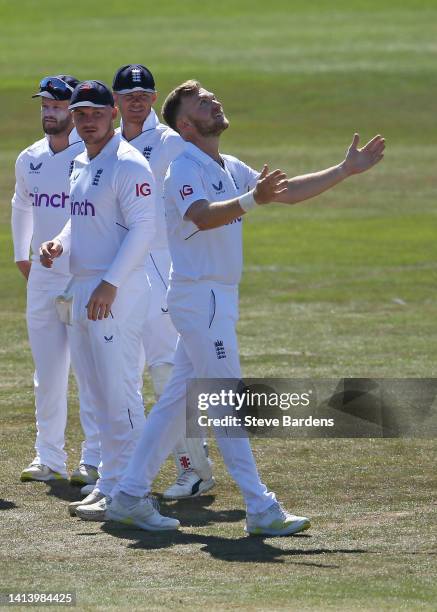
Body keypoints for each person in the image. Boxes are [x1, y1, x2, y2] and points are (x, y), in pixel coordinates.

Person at [84, 80, 384, 535]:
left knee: (173, 406)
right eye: (203, 101)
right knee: (226, 401)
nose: (214, 101)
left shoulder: (225, 164)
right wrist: (250, 200)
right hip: (199, 298)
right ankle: (260, 507)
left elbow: (286, 192)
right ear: (186, 124)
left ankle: (127, 496)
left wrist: (344, 169)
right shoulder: (183, 166)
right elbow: (202, 216)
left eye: (211, 96)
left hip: (215, 299)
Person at [38, 81, 167, 524]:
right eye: (80, 114)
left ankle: (135, 494)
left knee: (121, 392)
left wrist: (110, 284)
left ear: (113, 113)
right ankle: (110, 484)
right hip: (83, 288)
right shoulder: (79, 162)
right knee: (96, 395)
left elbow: (144, 228)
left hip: (117, 292)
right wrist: (57, 243)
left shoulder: (128, 164)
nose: (87, 120)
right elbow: (82, 222)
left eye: (95, 112)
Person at [112, 64, 214, 500]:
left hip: (160, 263)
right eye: (127, 93)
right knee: (118, 370)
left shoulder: (171, 142)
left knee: (167, 369)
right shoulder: (106, 141)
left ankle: (194, 468)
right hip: (116, 267)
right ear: (116, 100)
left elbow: (201, 191)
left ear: (153, 98)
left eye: (144, 92)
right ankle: (112, 469)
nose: (136, 99)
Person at [11, 75, 100, 485]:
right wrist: (20, 254)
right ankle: (49, 457)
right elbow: (23, 204)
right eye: (45, 105)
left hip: (82, 275)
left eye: (58, 106)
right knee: (47, 371)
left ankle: (93, 458)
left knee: (88, 368)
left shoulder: (92, 156)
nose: (49, 112)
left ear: (75, 109)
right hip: (43, 278)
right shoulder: (29, 157)